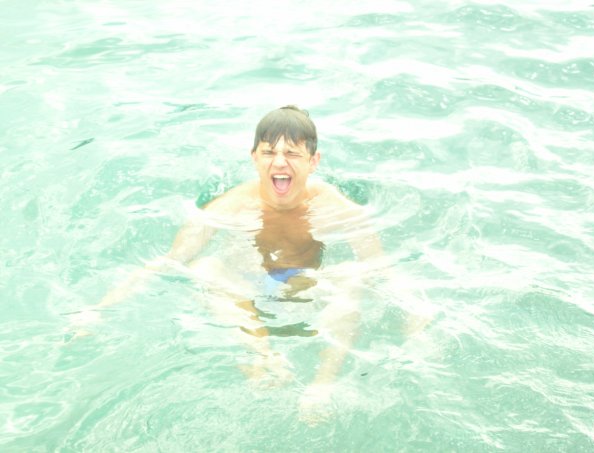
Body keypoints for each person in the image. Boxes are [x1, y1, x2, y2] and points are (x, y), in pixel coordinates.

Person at [70, 105, 410, 424]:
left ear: (313, 161)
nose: (280, 163)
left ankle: (320, 387)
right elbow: (169, 262)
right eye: (269, 152)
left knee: (354, 276)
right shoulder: (231, 205)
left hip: (306, 286)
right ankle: (262, 356)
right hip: (247, 289)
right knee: (205, 267)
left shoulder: (339, 209)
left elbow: (381, 271)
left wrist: (417, 323)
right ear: (254, 157)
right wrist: (98, 310)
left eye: (292, 154)